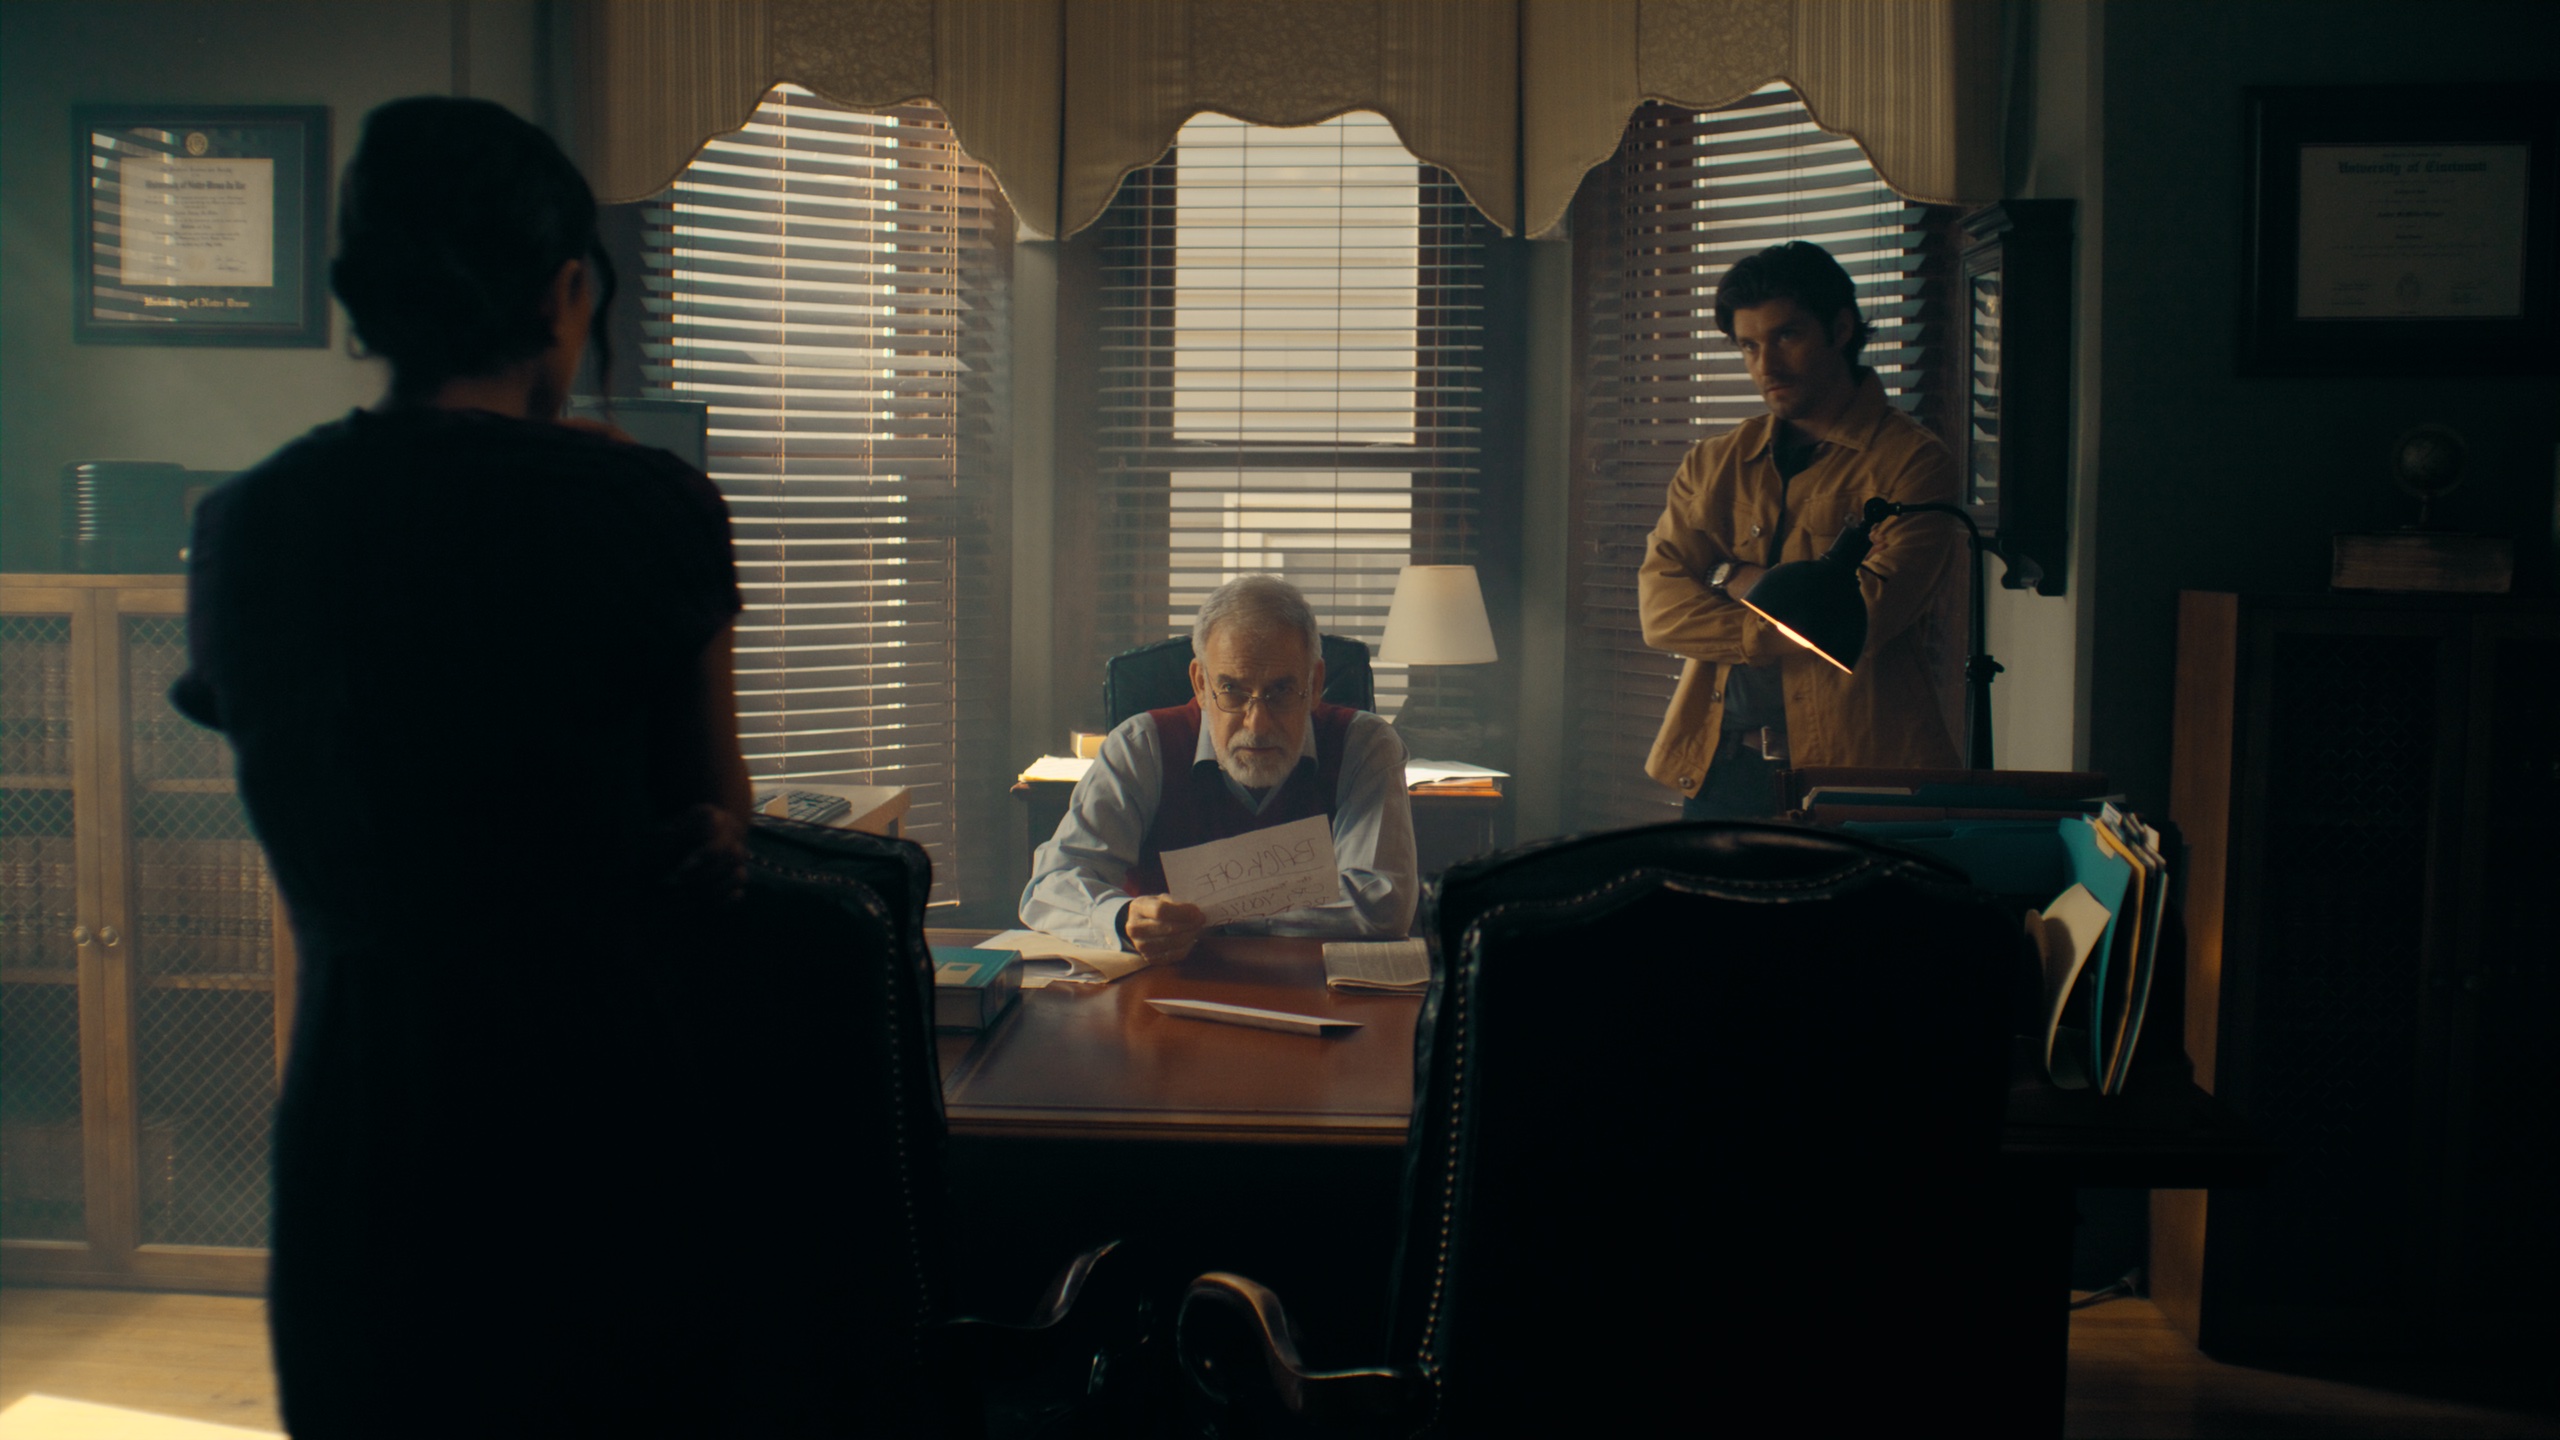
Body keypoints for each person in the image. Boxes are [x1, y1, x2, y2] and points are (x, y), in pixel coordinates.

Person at [173, 98, 753, 1434]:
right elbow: (718, 816)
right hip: (606, 1126)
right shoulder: (649, 510)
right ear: (565, 291)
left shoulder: (247, 527)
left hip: (365, 1127)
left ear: (367, 298)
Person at [1638, 240, 1964, 818]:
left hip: (1855, 777)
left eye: (1786, 336)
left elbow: (1862, 616)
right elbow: (1660, 610)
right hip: (1721, 771)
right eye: (1748, 345)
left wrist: (1729, 577)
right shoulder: (1714, 463)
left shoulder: (1911, 462)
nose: (1766, 365)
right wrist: (1767, 619)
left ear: (1840, 329)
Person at [1021, 576, 1418, 960]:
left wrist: (1215, 913)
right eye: (1232, 690)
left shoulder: (1364, 747)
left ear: (1314, 685)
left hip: (1319, 993)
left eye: (1280, 691)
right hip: (1160, 997)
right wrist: (1123, 919)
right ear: (1200, 684)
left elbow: (1382, 903)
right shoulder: (1140, 746)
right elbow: (1050, 885)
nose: (1257, 724)